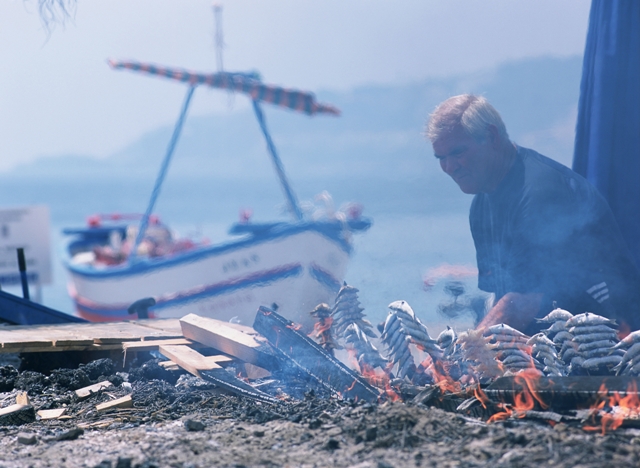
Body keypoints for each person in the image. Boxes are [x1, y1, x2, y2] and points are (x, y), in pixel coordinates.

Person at [425, 94, 640, 334]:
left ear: (492, 136)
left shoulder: (541, 193)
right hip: (549, 345)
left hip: (611, 340)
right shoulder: (480, 207)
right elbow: (503, 296)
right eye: (441, 157)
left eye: (457, 152)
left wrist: (468, 354)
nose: (449, 167)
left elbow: (523, 302)